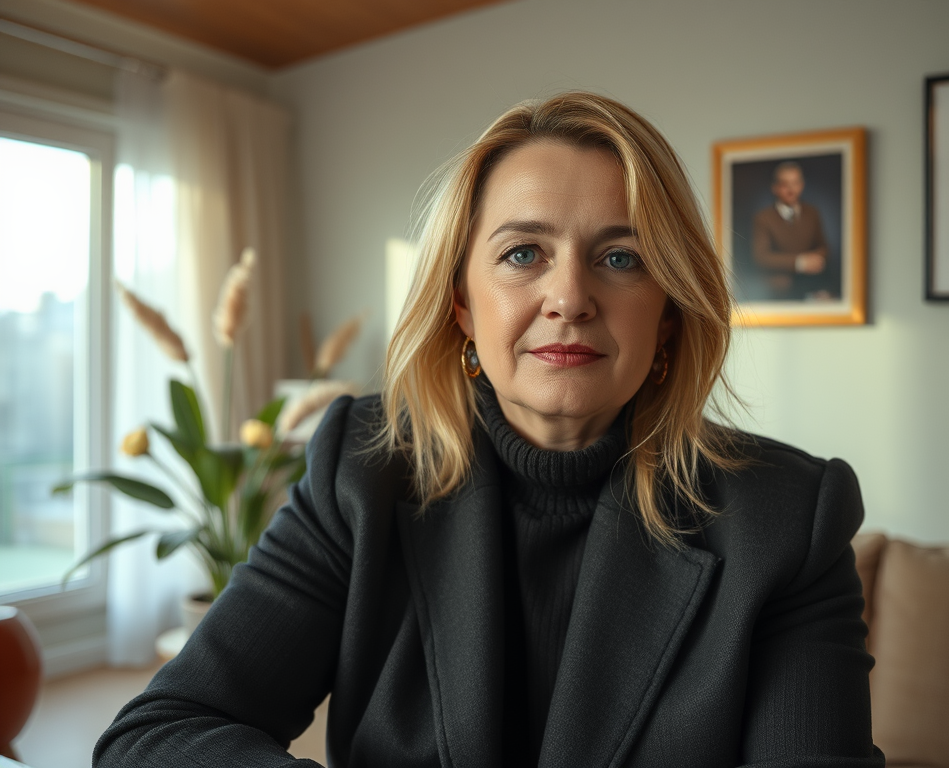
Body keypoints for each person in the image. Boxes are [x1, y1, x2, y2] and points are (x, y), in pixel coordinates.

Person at [94, 93, 882, 767]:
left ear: (670, 314)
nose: (568, 297)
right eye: (523, 253)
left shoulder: (788, 519)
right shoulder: (364, 468)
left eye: (620, 259)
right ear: (463, 307)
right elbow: (158, 736)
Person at [751, 161, 833, 300]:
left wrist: (816, 258)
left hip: (812, 286)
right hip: (778, 291)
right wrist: (799, 262)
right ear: (775, 188)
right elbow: (761, 256)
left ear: (802, 185)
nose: (791, 189)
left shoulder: (812, 212)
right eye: (784, 184)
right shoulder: (763, 218)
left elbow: (823, 247)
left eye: (795, 183)